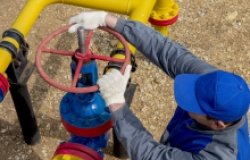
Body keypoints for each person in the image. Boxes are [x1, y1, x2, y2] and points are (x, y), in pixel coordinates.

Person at [68, 11, 250, 160]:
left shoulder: (218, 156)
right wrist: (110, 21)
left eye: (193, 104)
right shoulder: (214, 86)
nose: (185, 100)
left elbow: (152, 154)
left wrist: (116, 103)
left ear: (218, 124)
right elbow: (166, 51)